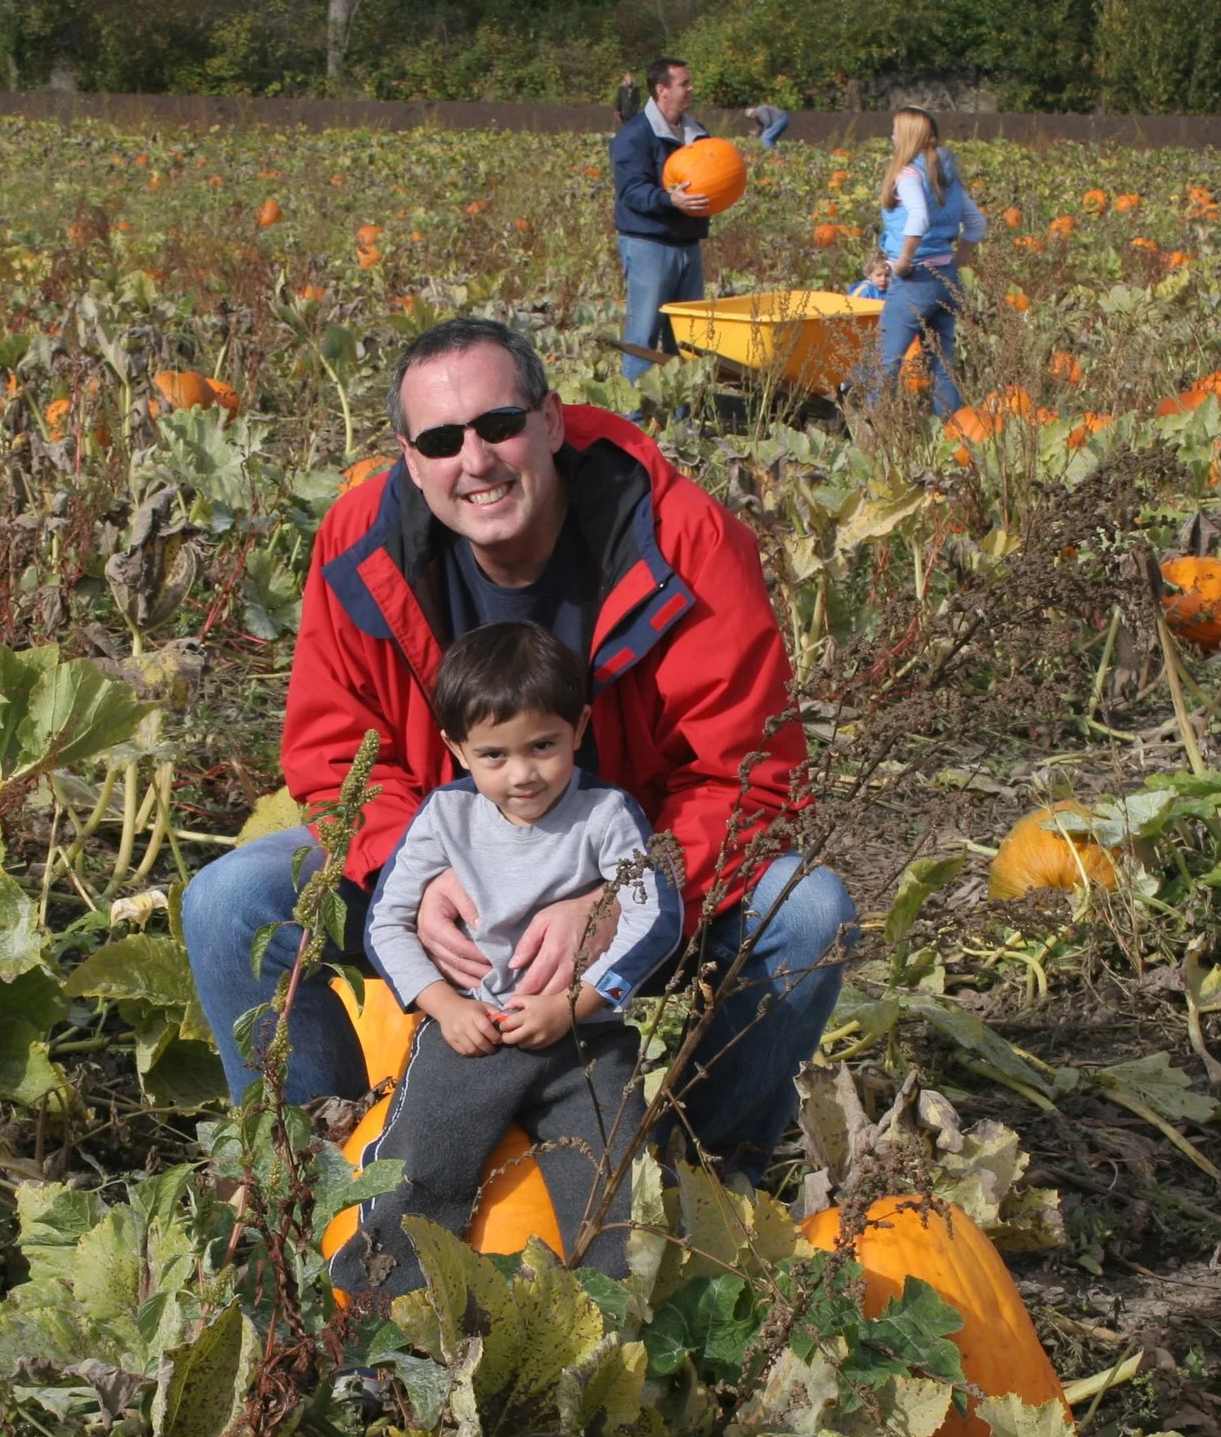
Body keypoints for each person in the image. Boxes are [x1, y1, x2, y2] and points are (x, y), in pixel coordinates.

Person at [181, 315, 857, 1184]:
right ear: (409, 455)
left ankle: (701, 1183)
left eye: (499, 425)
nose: (477, 460)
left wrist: (615, 894)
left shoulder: (684, 541)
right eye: (441, 439)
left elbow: (746, 777)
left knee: (807, 917)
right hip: (453, 873)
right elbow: (334, 753)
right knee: (231, 903)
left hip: (638, 871)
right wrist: (409, 874)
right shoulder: (359, 547)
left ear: (551, 419)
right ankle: (319, 1190)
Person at [329, 622, 676, 1296]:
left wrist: (573, 1004)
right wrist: (445, 1005)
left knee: (617, 1177)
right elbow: (386, 925)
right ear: (457, 749)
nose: (523, 774)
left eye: (543, 746)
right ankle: (383, 1321)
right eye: (494, 754)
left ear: (579, 727)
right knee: (422, 1162)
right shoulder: (444, 819)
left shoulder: (606, 815)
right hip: (473, 1032)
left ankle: (613, 1329)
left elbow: (654, 917)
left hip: (584, 1039)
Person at [866, 106, 986, 418]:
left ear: (906, 136)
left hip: (914, 280)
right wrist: (955, 261)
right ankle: (951, 432)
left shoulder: (908, 174)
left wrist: (904, 261)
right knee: (942, 363)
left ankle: (876, 433)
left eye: (895, 130)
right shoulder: (946, 175)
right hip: (946, 279)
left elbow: (918, 218)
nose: (891, 135)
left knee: (886, 360)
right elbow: (977, 224)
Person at [609, 58, 714, 389]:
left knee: (687, 336)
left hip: (688, 244)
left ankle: (681, 415)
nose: (691, 88)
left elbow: (712, 176)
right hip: (648, 245)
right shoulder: (635, 136)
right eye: (684, 83)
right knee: (643, 335)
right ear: (662, 89)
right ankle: (634, 419)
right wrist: (670, 199)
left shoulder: (697, 135)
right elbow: (632, 193)